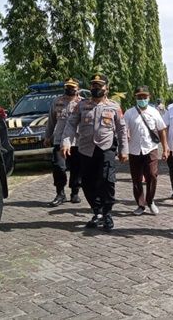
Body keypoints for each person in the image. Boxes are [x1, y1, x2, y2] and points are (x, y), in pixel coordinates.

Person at [61, 74, 128, 231]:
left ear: (106, 88)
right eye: (93, 86)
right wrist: (66, 142)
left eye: (99, 86)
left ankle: (107, 214)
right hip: (86, 150)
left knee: (107, 181)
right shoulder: (82, 105)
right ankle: (97, 211)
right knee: (87, 182)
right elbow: (71, 124)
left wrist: (123, 149)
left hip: (106, 149)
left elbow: (122, 129)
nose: (96, 88)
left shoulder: (114, 106)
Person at [124, 85, 168, 216]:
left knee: (152, 175)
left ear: (149, 98)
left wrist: (165, 149)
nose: (142, 99)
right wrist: (124, 147)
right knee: (136, 179)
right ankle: (140, 204)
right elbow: (123, 131)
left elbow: (162, 130)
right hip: (134, 150)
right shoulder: (129, 113)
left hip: (151, 149)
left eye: (144, 97)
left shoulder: (154, 112)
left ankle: (150, 200)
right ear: (135, 98)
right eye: (139, 97)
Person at [44, 77, 83, 207]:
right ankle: (60, 193)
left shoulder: (82, 103)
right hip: (59, 140)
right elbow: (51, 120)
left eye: (72, 87)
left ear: (78, 88)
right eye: (67, 86)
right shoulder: (57, 102)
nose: (69, 89)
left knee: (76, 168)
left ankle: (75, 192)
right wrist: (47, 136)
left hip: (77, 141)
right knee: (58, 167)